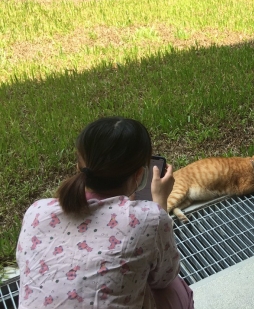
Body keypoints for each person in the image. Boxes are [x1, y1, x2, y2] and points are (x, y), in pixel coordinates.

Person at [16, 117, 194, 308]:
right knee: (175, 289)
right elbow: (165, 277)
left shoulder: (36, 211)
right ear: (139, 175)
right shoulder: (149, 218)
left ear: (79, 166)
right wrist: (159, 203)